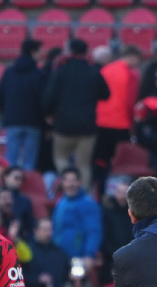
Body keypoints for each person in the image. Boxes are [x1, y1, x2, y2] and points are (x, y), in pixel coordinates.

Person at [43, 39, 111, 184]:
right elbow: (106, 94)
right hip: (87, 126)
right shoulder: (93, 72)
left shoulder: (61, 72)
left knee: (60, 158)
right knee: (84, 165)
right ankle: (83, 195)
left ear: (70, 51)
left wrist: (49, 114)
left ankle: (69, 185)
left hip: (63, 125)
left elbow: (49, 97)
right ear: (86, 52)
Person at [93, 47, 142, 189]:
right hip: (120, 123)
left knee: (101, 160)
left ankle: (100, 189)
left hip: (101, 121)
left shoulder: (106, 70)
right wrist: (132, 125)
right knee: (120, 163)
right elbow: (129, 101)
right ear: (133, 57)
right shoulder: (131, 74)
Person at [0, 39, 47, 172]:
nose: (41, 54)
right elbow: (44, 100)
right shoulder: (39, 74)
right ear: (33, 52)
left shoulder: (9, 72)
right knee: (29, 163)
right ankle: (28, 189)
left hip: (13, 120)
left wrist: (7, 113)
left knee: (10, 160)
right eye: (39, 51)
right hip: (33, 122)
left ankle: (9, 188)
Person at [51, 168, 102, 261]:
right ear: (62, 183)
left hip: (77, 258)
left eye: (73, 181)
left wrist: (89, 254)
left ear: (80, 182)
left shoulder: (88, 204)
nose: (70, 184)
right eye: (66, 181)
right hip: (58, 256)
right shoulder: (61, 203)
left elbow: (93, 231)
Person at [22, 218, 70, 287]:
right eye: (45, 230)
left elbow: (66, 275)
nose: (49, 233)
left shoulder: (59, 252)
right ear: (36, 231)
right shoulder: (26, 251)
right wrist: (37, 279)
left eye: (50, 229)